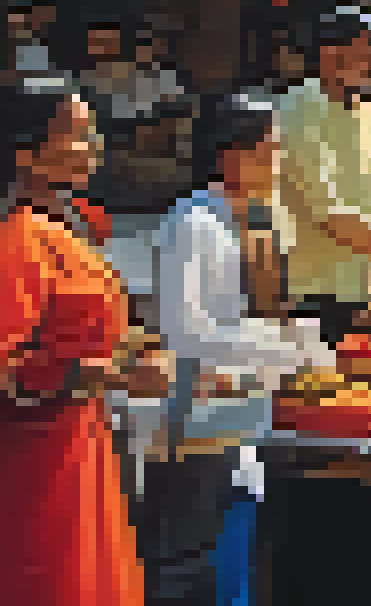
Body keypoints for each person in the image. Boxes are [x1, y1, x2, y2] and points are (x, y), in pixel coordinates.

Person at [150, 94, 334, 606]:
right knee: (188, 553)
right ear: (232, 153)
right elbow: (186, 333)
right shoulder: (191, 224)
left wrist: (289, 338)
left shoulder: (243, 220)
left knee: (231, 541)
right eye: (269, 150)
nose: (277, 162)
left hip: (239, 401)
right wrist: (282, 348)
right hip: (200, 405)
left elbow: (242, 317)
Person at [0, 78, 170, 605]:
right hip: (34, 461)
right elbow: (9, 370)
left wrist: (139, 348)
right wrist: (107, 373)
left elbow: (86, 324)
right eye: (76, 133)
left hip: (81, 442)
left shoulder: (67, 224)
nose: (94, 144)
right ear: (26, 153)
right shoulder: (15, 238)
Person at [275, 9, 371, 344]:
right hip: (307, 288)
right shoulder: (295, 110)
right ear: (330, 54)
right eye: (367, 54)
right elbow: (326, 211)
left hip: (367, 286)